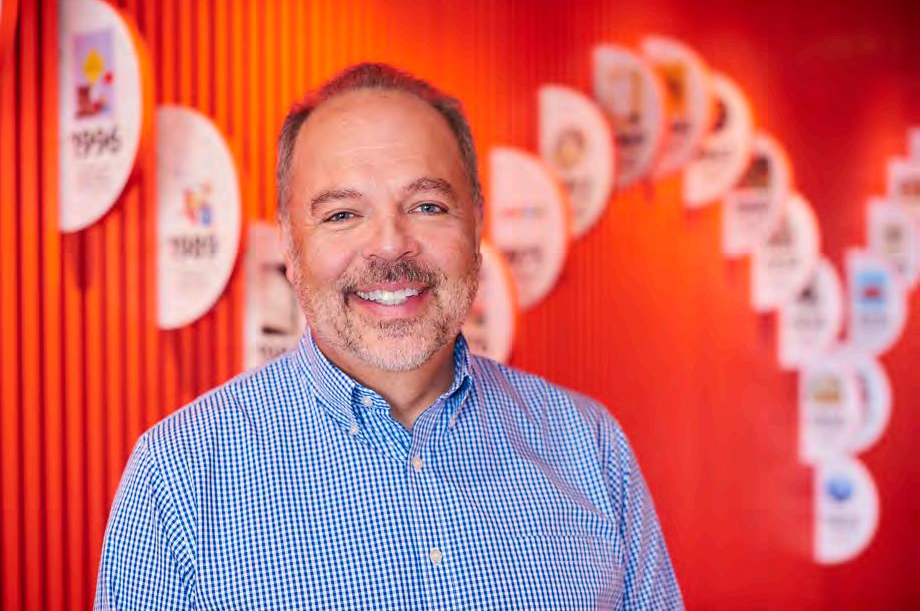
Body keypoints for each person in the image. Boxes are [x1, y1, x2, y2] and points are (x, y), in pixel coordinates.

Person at [95, 62, 683, 610]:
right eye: (341, 215)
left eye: (427, 206)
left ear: (477, 225)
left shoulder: (590, 447)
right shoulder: (177, 479)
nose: (390, 245)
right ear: (290, 247)